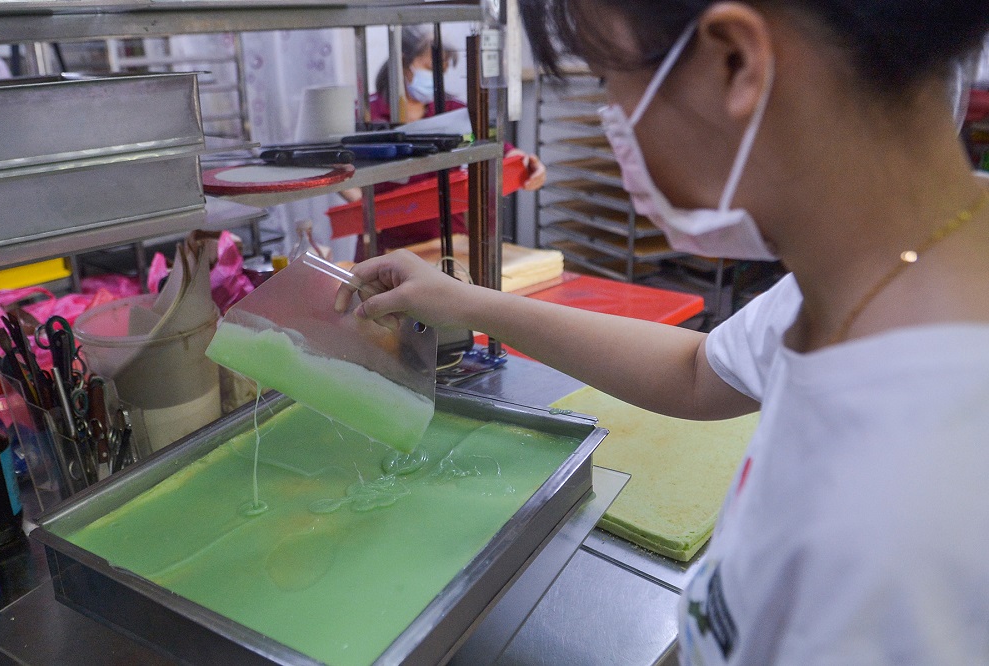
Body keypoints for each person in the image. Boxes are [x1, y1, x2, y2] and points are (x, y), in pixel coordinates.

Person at [336, 1, 989, 663]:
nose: (613, 117)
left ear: (733, 61)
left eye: (606, 79)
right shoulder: (865, 277)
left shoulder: (916, 513)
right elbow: (700, 371)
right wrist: (467, 302)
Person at [346, 26, 547, 261]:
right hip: (383, 246)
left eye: (440, 72)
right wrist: (364, 208)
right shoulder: (366, 114)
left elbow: (503, 151)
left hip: (448, 244)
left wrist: (529, 165)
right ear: (403, 64)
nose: (434, 80)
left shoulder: (454, 113)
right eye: (430, 69)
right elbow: (336, 170)